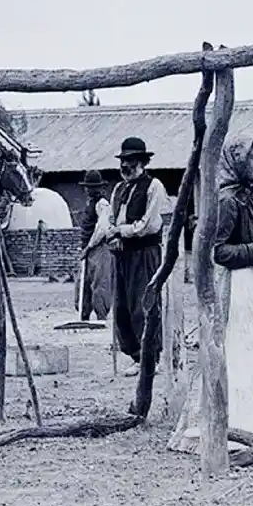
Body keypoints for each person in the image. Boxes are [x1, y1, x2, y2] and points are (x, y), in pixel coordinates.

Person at [168, 134, 253, 452]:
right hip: (238, 289)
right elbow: (218, 251)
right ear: (237, 160)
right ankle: (239, 428)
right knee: (243, 357)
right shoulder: (227, 199)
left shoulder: (251, 196)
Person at [105, 137, 168, 377]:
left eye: (131, 161)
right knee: (122, 306)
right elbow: (111, 219)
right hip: (122, 253)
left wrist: (122, 231)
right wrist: (113, 235)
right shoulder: (119, 189)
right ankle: (135, 355)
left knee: (144, 304)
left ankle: (152, 355)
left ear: (142, 162)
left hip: (145, 252)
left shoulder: (154, 186)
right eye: (123, 161)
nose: (126, 166)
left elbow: (148, 225)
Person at [75, 169, 114, 321]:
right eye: (87, 187)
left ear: (99, 188)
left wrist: (89, 246)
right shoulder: (89, 203)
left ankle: (101, 316)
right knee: (83, 282)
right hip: (88, 248)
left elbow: (102, 228)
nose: (89, 190)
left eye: (93, 187)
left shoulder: (102, 204)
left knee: (100, 282)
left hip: (99, 247)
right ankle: (84, 314)